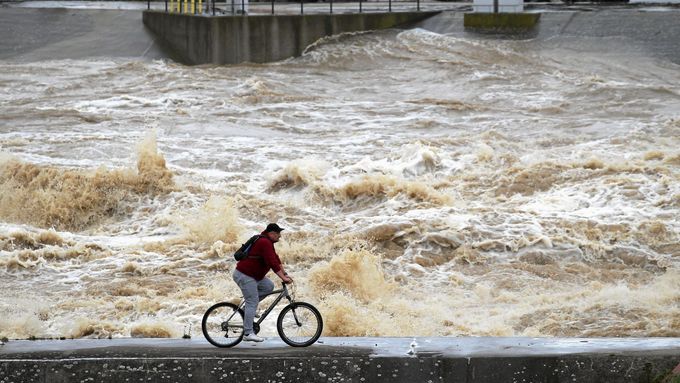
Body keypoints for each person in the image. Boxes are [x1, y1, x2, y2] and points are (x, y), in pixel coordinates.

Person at [232, 223, 293, 342]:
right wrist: (283, 278)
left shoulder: (268, 242)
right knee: (252, 301)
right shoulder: (264, 242)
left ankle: (246, 309)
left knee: (268, 286)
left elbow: (276, 259)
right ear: (272, 233)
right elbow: (272, 263)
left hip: (254, 276)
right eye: (278, 234)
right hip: (245, 275)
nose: (280, 236)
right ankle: (248, 333)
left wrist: (284, 274)